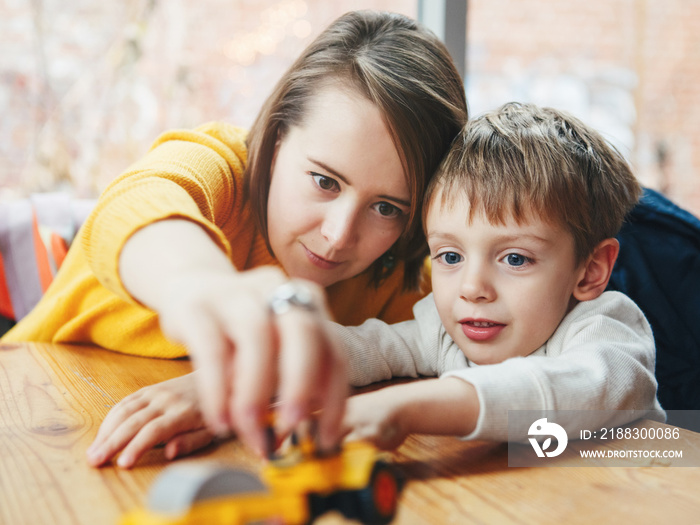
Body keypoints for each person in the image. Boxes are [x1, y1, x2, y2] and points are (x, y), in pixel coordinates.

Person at [0, 10, 468, 462]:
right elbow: (137, 201)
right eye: (325, 181)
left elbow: (515, 379)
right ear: (278, 135)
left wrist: (241, 379)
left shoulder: (404, 276)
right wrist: (202, 284)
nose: (339, 235)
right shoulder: (222, 167)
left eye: (386, 208)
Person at [336, 102, 664, 447]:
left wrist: (409, 406)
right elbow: (369, 348)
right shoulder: (447, 328)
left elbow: (585, 389)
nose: (473, 288)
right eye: (450, 256)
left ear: (590, 271)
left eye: (515, 259)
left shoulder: (607, 327)